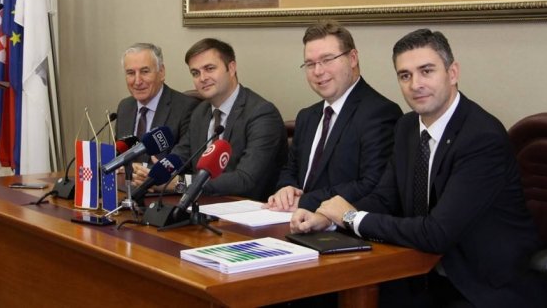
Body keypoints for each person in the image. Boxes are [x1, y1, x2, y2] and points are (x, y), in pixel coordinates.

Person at [291, 29, 547, 307]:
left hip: (482, 285)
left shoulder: (481, 137)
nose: (415, 84)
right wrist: (328, 219)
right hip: (421, 272)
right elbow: (384, 198)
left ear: (452, 73)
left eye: (426, 71)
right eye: (405, 75)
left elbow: (437, 233)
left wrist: (351, 218)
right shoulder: (406, 127)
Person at [266, 21, 402, 212]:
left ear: (352, 58)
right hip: (291, 219)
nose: (318, 71)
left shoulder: (380, 113)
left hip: (340, 226)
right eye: (310, 64)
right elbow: (290, 170)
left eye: (327, 60)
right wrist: (286, 189)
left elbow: (371, 185)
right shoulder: (307, 116)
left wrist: (304, 202)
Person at [166, 38, 288, 201]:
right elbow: (181, 155)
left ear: (231, 68)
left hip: (246, 208)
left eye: (209, 68)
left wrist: (181, 183)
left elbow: (245, 180)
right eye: (195, 73)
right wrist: (154, 173)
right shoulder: (200, 112)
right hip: (202, 204)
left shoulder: (261, 114)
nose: (202, 78)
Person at [115, 43, 199, 152]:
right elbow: (118, 154)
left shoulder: (186, 108)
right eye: (131, 73)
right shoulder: (125, 107)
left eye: (145, 71)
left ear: (161, 72)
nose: (137, 81)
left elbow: (185, 158)